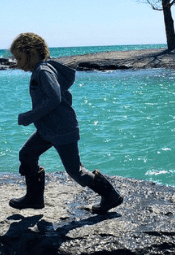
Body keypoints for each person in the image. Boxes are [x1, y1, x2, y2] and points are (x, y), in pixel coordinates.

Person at [9, 32, 123, 213]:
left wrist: (30, 116)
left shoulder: (43, 71)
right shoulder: (43, 69)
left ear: (32, 53)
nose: (17, 63)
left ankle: (110, 196)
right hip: (47, 129)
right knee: (27, 154)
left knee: (75, 171)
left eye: (20, 58)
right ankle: (34, 198)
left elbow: (54, 99)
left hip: (62, 129)